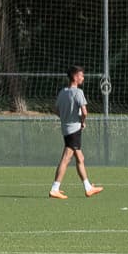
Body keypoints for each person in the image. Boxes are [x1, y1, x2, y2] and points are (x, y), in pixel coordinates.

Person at [49, 65, 101, 200]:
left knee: (80, 158)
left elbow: (56, 110)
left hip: (66, 129)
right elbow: (84, 112)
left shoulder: (62, 92)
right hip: (75, 130)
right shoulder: (78, 93)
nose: (83, 78)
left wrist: (65, 118)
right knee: (66, 158)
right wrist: (82, 121)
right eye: (81, 75)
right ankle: (55, 188)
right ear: (75, 76)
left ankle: (88, 187)